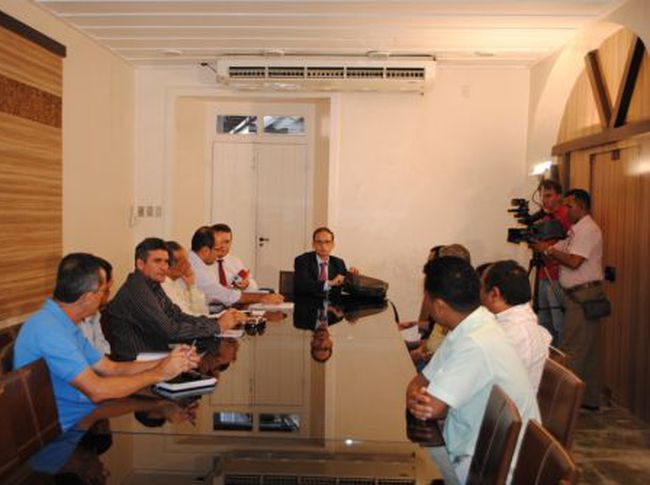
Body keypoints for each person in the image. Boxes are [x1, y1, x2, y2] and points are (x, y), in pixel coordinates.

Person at [13, 253, 200, 431]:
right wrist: (160, 373)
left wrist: (170, 361)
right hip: (59, 432)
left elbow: (110, 368)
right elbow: (97, 390)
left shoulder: (63, 322)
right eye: (103, 291)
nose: (105, 297)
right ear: (88, 297)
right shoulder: (50, 330)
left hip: (81, 415)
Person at [406, 257, 540, 484]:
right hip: (474, 446)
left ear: (439, 306)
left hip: (490, 467)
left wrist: (420, 398)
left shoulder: (477, 341)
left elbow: (430, 409)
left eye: (426, 297)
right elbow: (419, 382)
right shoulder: (471, 325)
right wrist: (419, 396)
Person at [102, 238, 244, 361]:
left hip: (155, 355)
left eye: (166, 262)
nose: (164, 267)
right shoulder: (137, 290)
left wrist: (217, 322)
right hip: (137, 362)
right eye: (157, 261)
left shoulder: (152, 284)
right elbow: (169, 331)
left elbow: (176, 315)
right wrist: (217, 326)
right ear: (140, 264)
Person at [533, 188, 605, 410]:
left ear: (582, 207)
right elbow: (556, 251)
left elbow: (574, 262)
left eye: (569, 206)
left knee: (571, 349)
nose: (565, 209)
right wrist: (543, 246)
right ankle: (589, 400)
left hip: (584, 295)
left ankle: (562, 407)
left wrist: (549, 251)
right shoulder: (575, 231)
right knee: (587, 350)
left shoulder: (587, 230)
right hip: (578, 294)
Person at [479, 260, 552, 392]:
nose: (479, 293)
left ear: (494, 294)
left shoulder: (511, 333)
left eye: (481, 287)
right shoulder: (523, 320)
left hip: (505, 403)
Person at [189, 226, 284, 307]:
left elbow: (251, 286)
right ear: (205, 251)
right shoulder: (195, 268)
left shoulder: (234, 261)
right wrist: (263, 297)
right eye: (216, 249)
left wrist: (247, 285)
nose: (221, 249)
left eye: (227, 242)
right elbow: (223, 294)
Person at [535, 179, 572, 345]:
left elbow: (570, 246)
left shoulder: (567, 215)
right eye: (543, 196)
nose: (544, 200)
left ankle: (562, 357)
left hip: (558, 275)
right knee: (543, 322)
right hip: (543, 273)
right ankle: (547, 357)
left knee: (559, 323)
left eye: (549, 195)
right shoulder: (544, 217)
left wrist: (548, 248)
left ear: (559, 196)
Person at [294, 227, 359, 297]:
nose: (323, 246)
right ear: (313, 244)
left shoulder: (338, 263)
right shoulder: (302, 260)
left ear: (333, 245)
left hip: (333, 302)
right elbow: (303, 285)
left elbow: (346, 284)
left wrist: (352, 275)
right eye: (319, 242)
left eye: (327, 242)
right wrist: (329, 283)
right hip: (309, 301)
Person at [161, 241, 209, 316]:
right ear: (168, 268)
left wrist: (192, 286)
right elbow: (186, 316)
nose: (189, 265)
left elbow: (202, 311)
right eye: (183, 263)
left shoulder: (178, 282)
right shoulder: (165, 287)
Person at [78, 257, 113, 355]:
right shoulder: (70, 320)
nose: (107, 294)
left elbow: (104, 350)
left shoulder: (95, 313)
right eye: (105, 290)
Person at [211, 223, 259, 290]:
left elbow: (254, 287)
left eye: (227, 242)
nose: (223, 246)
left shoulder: (235, 262)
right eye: (219, 241)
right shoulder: (202, 263)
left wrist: (247, 284)